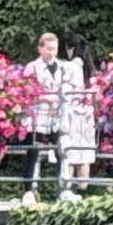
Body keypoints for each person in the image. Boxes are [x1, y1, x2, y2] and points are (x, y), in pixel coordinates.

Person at [25, 32, 91, 199]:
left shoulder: (65, 67)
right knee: (34, 151)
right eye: (48, 49)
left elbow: (76, 90)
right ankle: (29, 191)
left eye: (54, 49)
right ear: (40, 49)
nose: (51, 53)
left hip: (59, 116)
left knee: (64, 150)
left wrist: (73, 96)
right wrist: (46, 97)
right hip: (39, 115)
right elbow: (24, 93)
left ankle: (64, 190)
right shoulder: (31, 67)